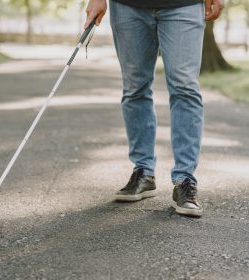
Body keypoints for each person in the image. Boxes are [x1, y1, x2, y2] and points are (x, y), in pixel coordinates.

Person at [84, 0, 223, 217]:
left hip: (184, 4)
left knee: (185, 87)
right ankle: (143, 172)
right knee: (134, 87)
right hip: (127, 6)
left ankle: (184, 179)